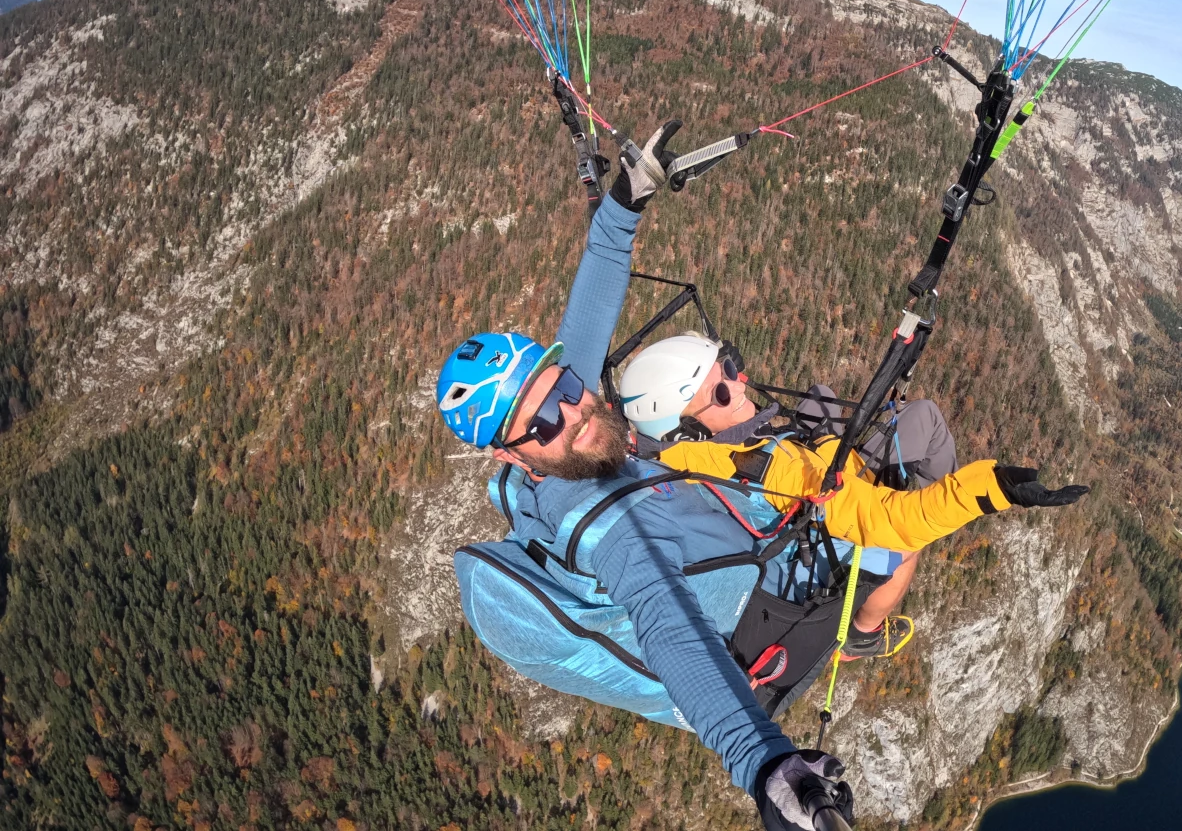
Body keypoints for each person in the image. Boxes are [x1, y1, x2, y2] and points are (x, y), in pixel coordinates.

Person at [435, 121, 1087, 828]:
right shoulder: (610, 528)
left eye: (564, 386)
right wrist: (765, 763)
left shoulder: (572, 427)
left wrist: (625, 202)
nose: (574, 412)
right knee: (896, 536)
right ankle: (866, 629)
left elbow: (589, 306)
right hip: (771, 594)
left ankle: (867, 610)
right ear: (509, 453)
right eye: (542, 421)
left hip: (742, 532)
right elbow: (670, 632)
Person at [620, 340, 1087, 659]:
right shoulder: (767, 466)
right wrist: (996, 488)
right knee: (904, 548)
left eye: (728, 365)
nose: (739, 383)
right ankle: (862, 634)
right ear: (690, 430)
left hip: (810, 462)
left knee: (840, 403)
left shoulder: (674, 456)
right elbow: (890, 522)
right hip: (827, 502)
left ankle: (893, 481)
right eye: (721, 391)